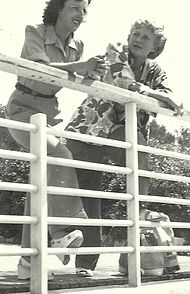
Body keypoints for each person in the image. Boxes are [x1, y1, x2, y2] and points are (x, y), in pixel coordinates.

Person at [65, 19, 183, 277]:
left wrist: (162, 95)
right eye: (135, 34)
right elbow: (123, 82)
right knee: (90, 197)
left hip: (126, 134)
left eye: (145, 38)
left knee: (138, 187)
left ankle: (131, 256)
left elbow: (168, 94)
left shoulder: (154, 69)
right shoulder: (115, 49)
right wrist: (160, 95)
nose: (138, 39)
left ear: (154, 47)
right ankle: (85, 264)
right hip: (90, 131)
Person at [5, 0, 108, 280]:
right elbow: (40, 68)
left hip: (50, 115)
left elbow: (75, 76)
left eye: (84, 9)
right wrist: (80, 65)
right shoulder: (35, 31)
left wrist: (92, 72)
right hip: (23, 109)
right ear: (58, 8)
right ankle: (62, 231)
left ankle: (28, 262)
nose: (81, 14)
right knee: (61, 155)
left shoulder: (79, 46)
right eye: (75, 6)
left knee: (39, 182)